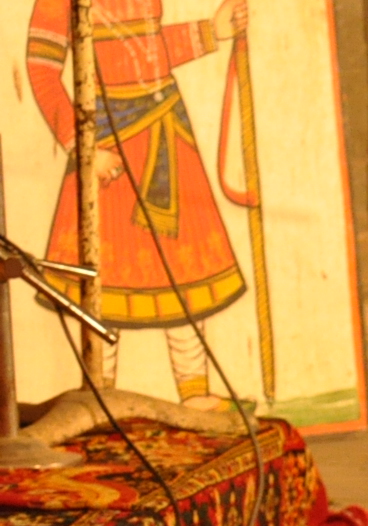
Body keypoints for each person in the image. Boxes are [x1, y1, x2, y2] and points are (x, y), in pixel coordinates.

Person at [27, 0, 249, 408]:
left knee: (185, 269)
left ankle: (193, 392)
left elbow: (147, 48)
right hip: (107, 143)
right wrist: (84, 148)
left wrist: (209, 32)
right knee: (104, 280)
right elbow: (42, 70)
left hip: (165, 126)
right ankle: (101, 395)